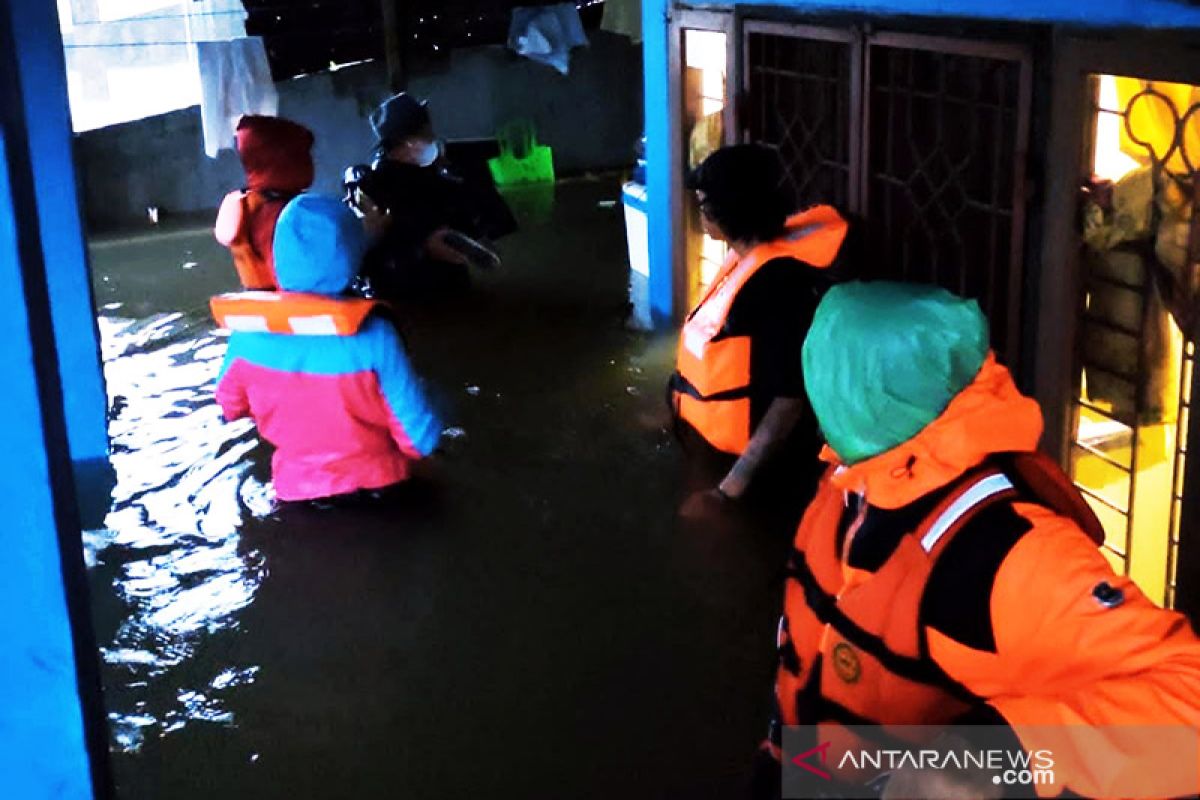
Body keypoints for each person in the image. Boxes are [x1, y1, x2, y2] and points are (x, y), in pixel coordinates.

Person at [757, 281, 1200, 799]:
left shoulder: (1007, 552)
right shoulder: (852, 479)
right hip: (799, 771)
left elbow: (1188, 703)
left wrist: (994, 757)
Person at [213, 194, 442, 505]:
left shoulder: (245, 338)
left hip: (295, 494)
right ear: (352, 255)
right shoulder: (376, 335)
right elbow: (418, 440)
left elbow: (229, 406)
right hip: (382, 489)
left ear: (278, 257)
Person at [668, 144, 854, 522]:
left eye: (705, 204)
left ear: (731, 210)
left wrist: (728, 491)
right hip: (715, 444)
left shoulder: (776, 285)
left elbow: (789, 400)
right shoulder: (746, 258)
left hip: (761, 472)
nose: (700, 214)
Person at [344, 92, 516, 301]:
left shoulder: (433, 174)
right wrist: (423, 249)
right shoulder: (372, 189)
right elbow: (369, 259)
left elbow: (492, 223)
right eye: (426, 132)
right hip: (410, 295)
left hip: (451, 288)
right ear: (408, 142)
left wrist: (469, 174)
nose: (433, 137)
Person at [214, 115, 315, 289]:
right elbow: (295, 279)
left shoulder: (254, 204)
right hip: (291, 306)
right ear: (286, 161)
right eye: (303, 155)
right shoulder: (279, 215)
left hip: (265, 301)